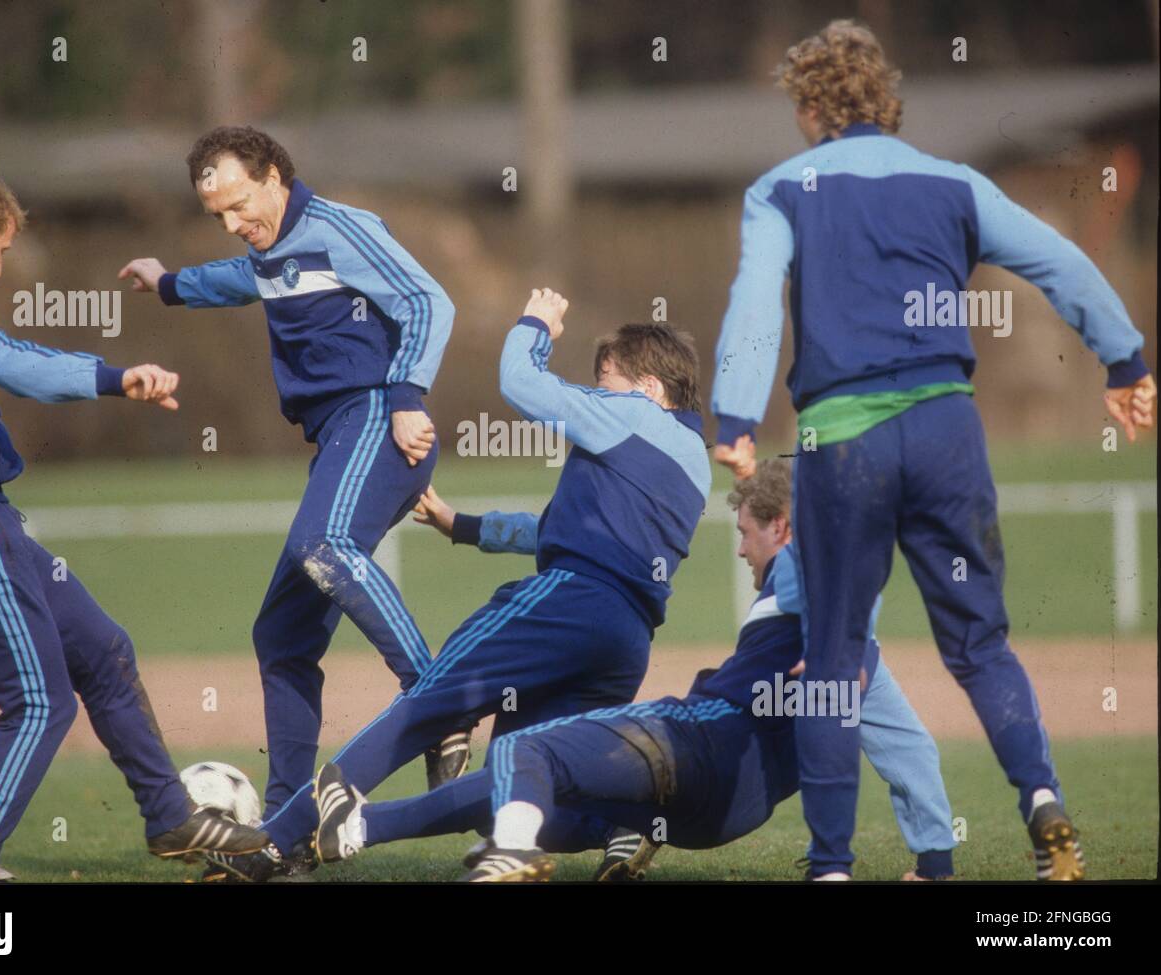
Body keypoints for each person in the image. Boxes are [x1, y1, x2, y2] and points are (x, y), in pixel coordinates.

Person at [710, 20, 1155, 880]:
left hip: (845, 442)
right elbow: (1060, 260)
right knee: (981, 644)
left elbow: (756, 304)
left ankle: (832, 865)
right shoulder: (954, 183)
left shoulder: (782, 188)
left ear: (809, 105)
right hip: (949, 430)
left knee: (834, 657)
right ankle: (1041, 804)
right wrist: (1126, 357)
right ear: (886, 99)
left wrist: (733, 416)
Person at [205, 289, 712, 881]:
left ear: (650, 388)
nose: (596, 395)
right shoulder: (690, 462)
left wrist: (535, 324)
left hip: (566, 604)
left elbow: (521, 382)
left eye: (606, 381)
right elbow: (555, 530)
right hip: (625, 640)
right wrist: (464, 526)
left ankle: (275, 843)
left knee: (426, 704)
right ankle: (620, 825)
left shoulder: (634, 415)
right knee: (518, 785)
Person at [0, 174, 268, 883]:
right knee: (38, 700)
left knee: (103, 649)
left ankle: (169, 813)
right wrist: (114, 378)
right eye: (2, 251)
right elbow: (11, 363)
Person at [312, 459, 957, 882]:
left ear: (782, 528)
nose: (740, 547)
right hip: (726, 818)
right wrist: (933, 862)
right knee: (527, 789)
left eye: (746, 532)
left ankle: (507, 854)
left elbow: (820, 579)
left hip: (696, 742)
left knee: (523, 751)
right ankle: (358, 827)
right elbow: (910, 752)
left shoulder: (806, 580)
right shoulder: (863, 660)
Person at [118, 128, 464, 874]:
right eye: (218, 215)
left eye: (239, 203)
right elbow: (241, 278)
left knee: (323, 547)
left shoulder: (339, 227)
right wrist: (169, 280)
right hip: (340, 437)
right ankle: (283, 834)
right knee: (280, 634)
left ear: (273, 176)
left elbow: (429, 300)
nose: (234, 223)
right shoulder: (272, 252)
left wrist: (407, 397)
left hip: (378, 420)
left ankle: (441, 703)